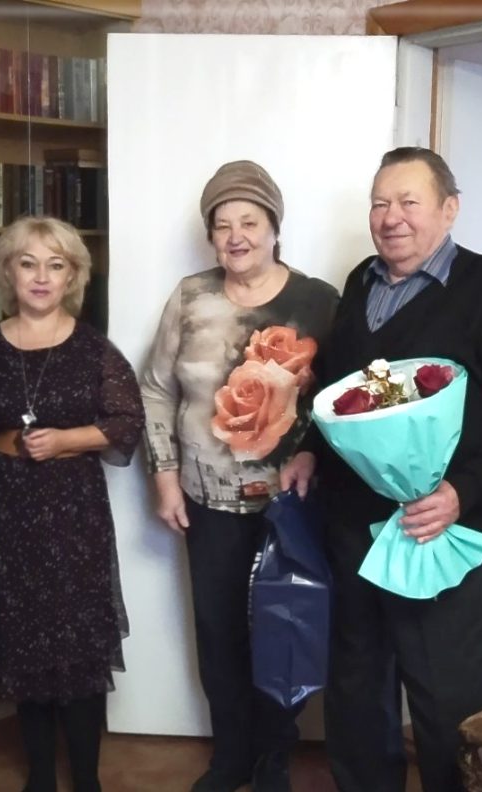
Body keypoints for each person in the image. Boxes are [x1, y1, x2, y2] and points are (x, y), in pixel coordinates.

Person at [282, 146, 482, 792]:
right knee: (356, 685)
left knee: (448, 698)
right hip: (352, 528)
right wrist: (310, 447)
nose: (391, 217)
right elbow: (340, 395)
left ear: (449, 209)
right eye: (379, 203)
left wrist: (461, 493)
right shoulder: (360, 282)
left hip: (438, 530)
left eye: (409, 201)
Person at [141, 160, 339, 792]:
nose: (236, 236)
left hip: (292, 506)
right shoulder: (191, 297)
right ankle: (230, 757)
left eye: (249, 221)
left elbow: (345, 398)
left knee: (283, 631)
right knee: (219, 631)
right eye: (222, 225)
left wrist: (313, 453)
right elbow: (155, 389)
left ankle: (272, 756)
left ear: (274, 227)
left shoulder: (318, 301)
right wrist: (165, 476)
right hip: (208, 501)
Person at [0, 216, 144, 792]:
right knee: (25, 645)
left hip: (73, 513)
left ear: (72, 277)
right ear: (8, 273)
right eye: (28, 263)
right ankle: (40, 777)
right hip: (6, 510)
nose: (41, 277)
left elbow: (127, 423)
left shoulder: (93, 349)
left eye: (55, 264)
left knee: (78, 647)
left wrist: (66, 440)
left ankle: (86, 779)